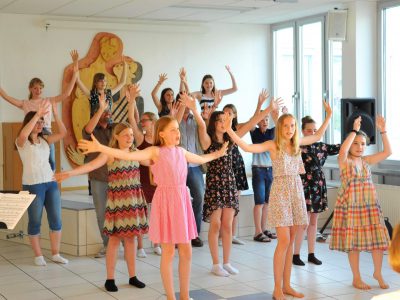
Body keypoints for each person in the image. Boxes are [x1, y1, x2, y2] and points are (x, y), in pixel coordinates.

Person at [78, 115, 228, 300]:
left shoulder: (181, 152)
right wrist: (100, 147)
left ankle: (185, 296)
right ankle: (171, 297)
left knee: (187, 250)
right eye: (173, 130)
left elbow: (203, 157)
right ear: (162, 134)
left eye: (178, 129)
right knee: (168, 251)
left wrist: (218, 153)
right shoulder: (154, 151)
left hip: (181, 200)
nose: (177, 133)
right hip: (165, 201)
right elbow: (128, 155)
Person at [224, 100, 332, 300]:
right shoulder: (272, 145)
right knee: (283, 241)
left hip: (297, 192)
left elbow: (317, 135)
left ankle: (287, 286)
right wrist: (230, 130)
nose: (290, 129)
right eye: (286, 126)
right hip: (281, 192)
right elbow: (247, 147)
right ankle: (276, 288)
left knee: (290, 241)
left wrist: (329, 115)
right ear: (279, 127)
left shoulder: (297, 144)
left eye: (293, 126)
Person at [192, 91, 281, 277]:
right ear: (215, 123)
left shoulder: (231, 139)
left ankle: (226, 262)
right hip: (216, 184)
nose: (225, 123)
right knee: (215, 224)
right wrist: (195, 109)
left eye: (227, 120)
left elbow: (250, 123)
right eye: (221, 120)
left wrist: (268, 109)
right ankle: (216, 264)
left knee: (227, 224)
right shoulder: (208, 141)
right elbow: (201, 125)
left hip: (230, 183)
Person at [55, 121, 148, 292]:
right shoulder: (109, 154)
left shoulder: (136, 153)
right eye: (126, 134)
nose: (130, 137)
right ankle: (110, 279)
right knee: (114, 240)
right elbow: (90, 166)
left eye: (131, 135)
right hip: (119, 202)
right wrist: (70, 173)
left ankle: (133, 276)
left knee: (131, 238)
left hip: (133, 200)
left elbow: (153, 160)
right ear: (117, 137)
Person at [330, 116, 392, 291]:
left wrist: (383, 131)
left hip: (369, 207)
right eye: (356, 143)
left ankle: (377, 273)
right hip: (351, 208)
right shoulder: (345, 161)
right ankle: (356, 278)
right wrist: (354, 131)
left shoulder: (366, 161)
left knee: (378, 241)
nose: (359, 147)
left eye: (363, 144)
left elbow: (388, 152)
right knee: (354, 243)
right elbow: (342, 151)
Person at [0, 51, 78, 170]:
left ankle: (50, 179)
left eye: (40, 88)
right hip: (31, 133)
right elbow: (7, 97)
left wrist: (75, 66)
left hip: (46, 132)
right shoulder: (25, 103)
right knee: (32, 161)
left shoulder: (48, 100)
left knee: (50, 161)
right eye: (35, 88)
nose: (38, 90)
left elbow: (66, 94)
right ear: (30, 89)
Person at [16, 102, 68, 266]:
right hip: (33, 185)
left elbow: (63, 132)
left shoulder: (45, 140)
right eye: (37, 122)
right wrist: (37, 115)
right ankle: (38, 255)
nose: (40, 125)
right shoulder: (21, 142)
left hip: (50, 183)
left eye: (41, 122)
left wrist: (56, 114)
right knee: (35, 221)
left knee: (56, 220)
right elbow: (24, 133)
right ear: (30, 123)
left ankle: (55, 254)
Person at [293, 116, 341, 266]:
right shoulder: (297, 145)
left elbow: (342, 146)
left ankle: (311, 254)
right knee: (303, 222)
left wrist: (355, 131)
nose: (312, 132)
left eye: (315, 130)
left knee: (314, 221)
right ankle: (295, 254)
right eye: (309, 130)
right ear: (302, 131)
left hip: (318, 184)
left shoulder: (323, 146)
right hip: (304, 184)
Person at [126, 90, 161, 257]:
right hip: (141, 181)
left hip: (157, 181)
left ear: (153, 122)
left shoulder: (159, 140)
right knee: (141, 214)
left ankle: (156, 243)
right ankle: (140, 247)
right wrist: (131, 100)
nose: (142, 123)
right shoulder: (140, 138)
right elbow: (132, 119)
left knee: (156, 214)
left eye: (145, 121)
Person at [81, 90, 114, 258]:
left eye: (109, 111)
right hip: (98, 178)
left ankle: (122, 243)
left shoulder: (115, 128)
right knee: (101, 213)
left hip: (117, 178)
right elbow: (88, 129)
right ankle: (107, 245)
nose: (107, 114)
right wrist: (100, 109)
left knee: (119, 213)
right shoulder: (90, 131)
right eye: (103, 111)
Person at [249, 105, 279, 243]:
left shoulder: (272, 133)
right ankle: (257, 232)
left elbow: (281, 128)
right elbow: (252, 121)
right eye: (262, 119)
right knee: (259, 202)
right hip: (258, 169)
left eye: (266, 118)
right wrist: (260, 106)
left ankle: (264, 228)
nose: (265, 121)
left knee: (267, 202)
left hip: (270, 169)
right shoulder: (254, 132)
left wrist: (276, 115)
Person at [72, 50, 128, 120]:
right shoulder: (91, 94)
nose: (103, 83)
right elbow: (77, 80)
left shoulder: (109, 93)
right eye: (100, 81)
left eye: (105, 81)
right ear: (95, 83)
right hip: (95, 127)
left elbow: (122, 82)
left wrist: (125, 66)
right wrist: (75, 63)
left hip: (108, 126)